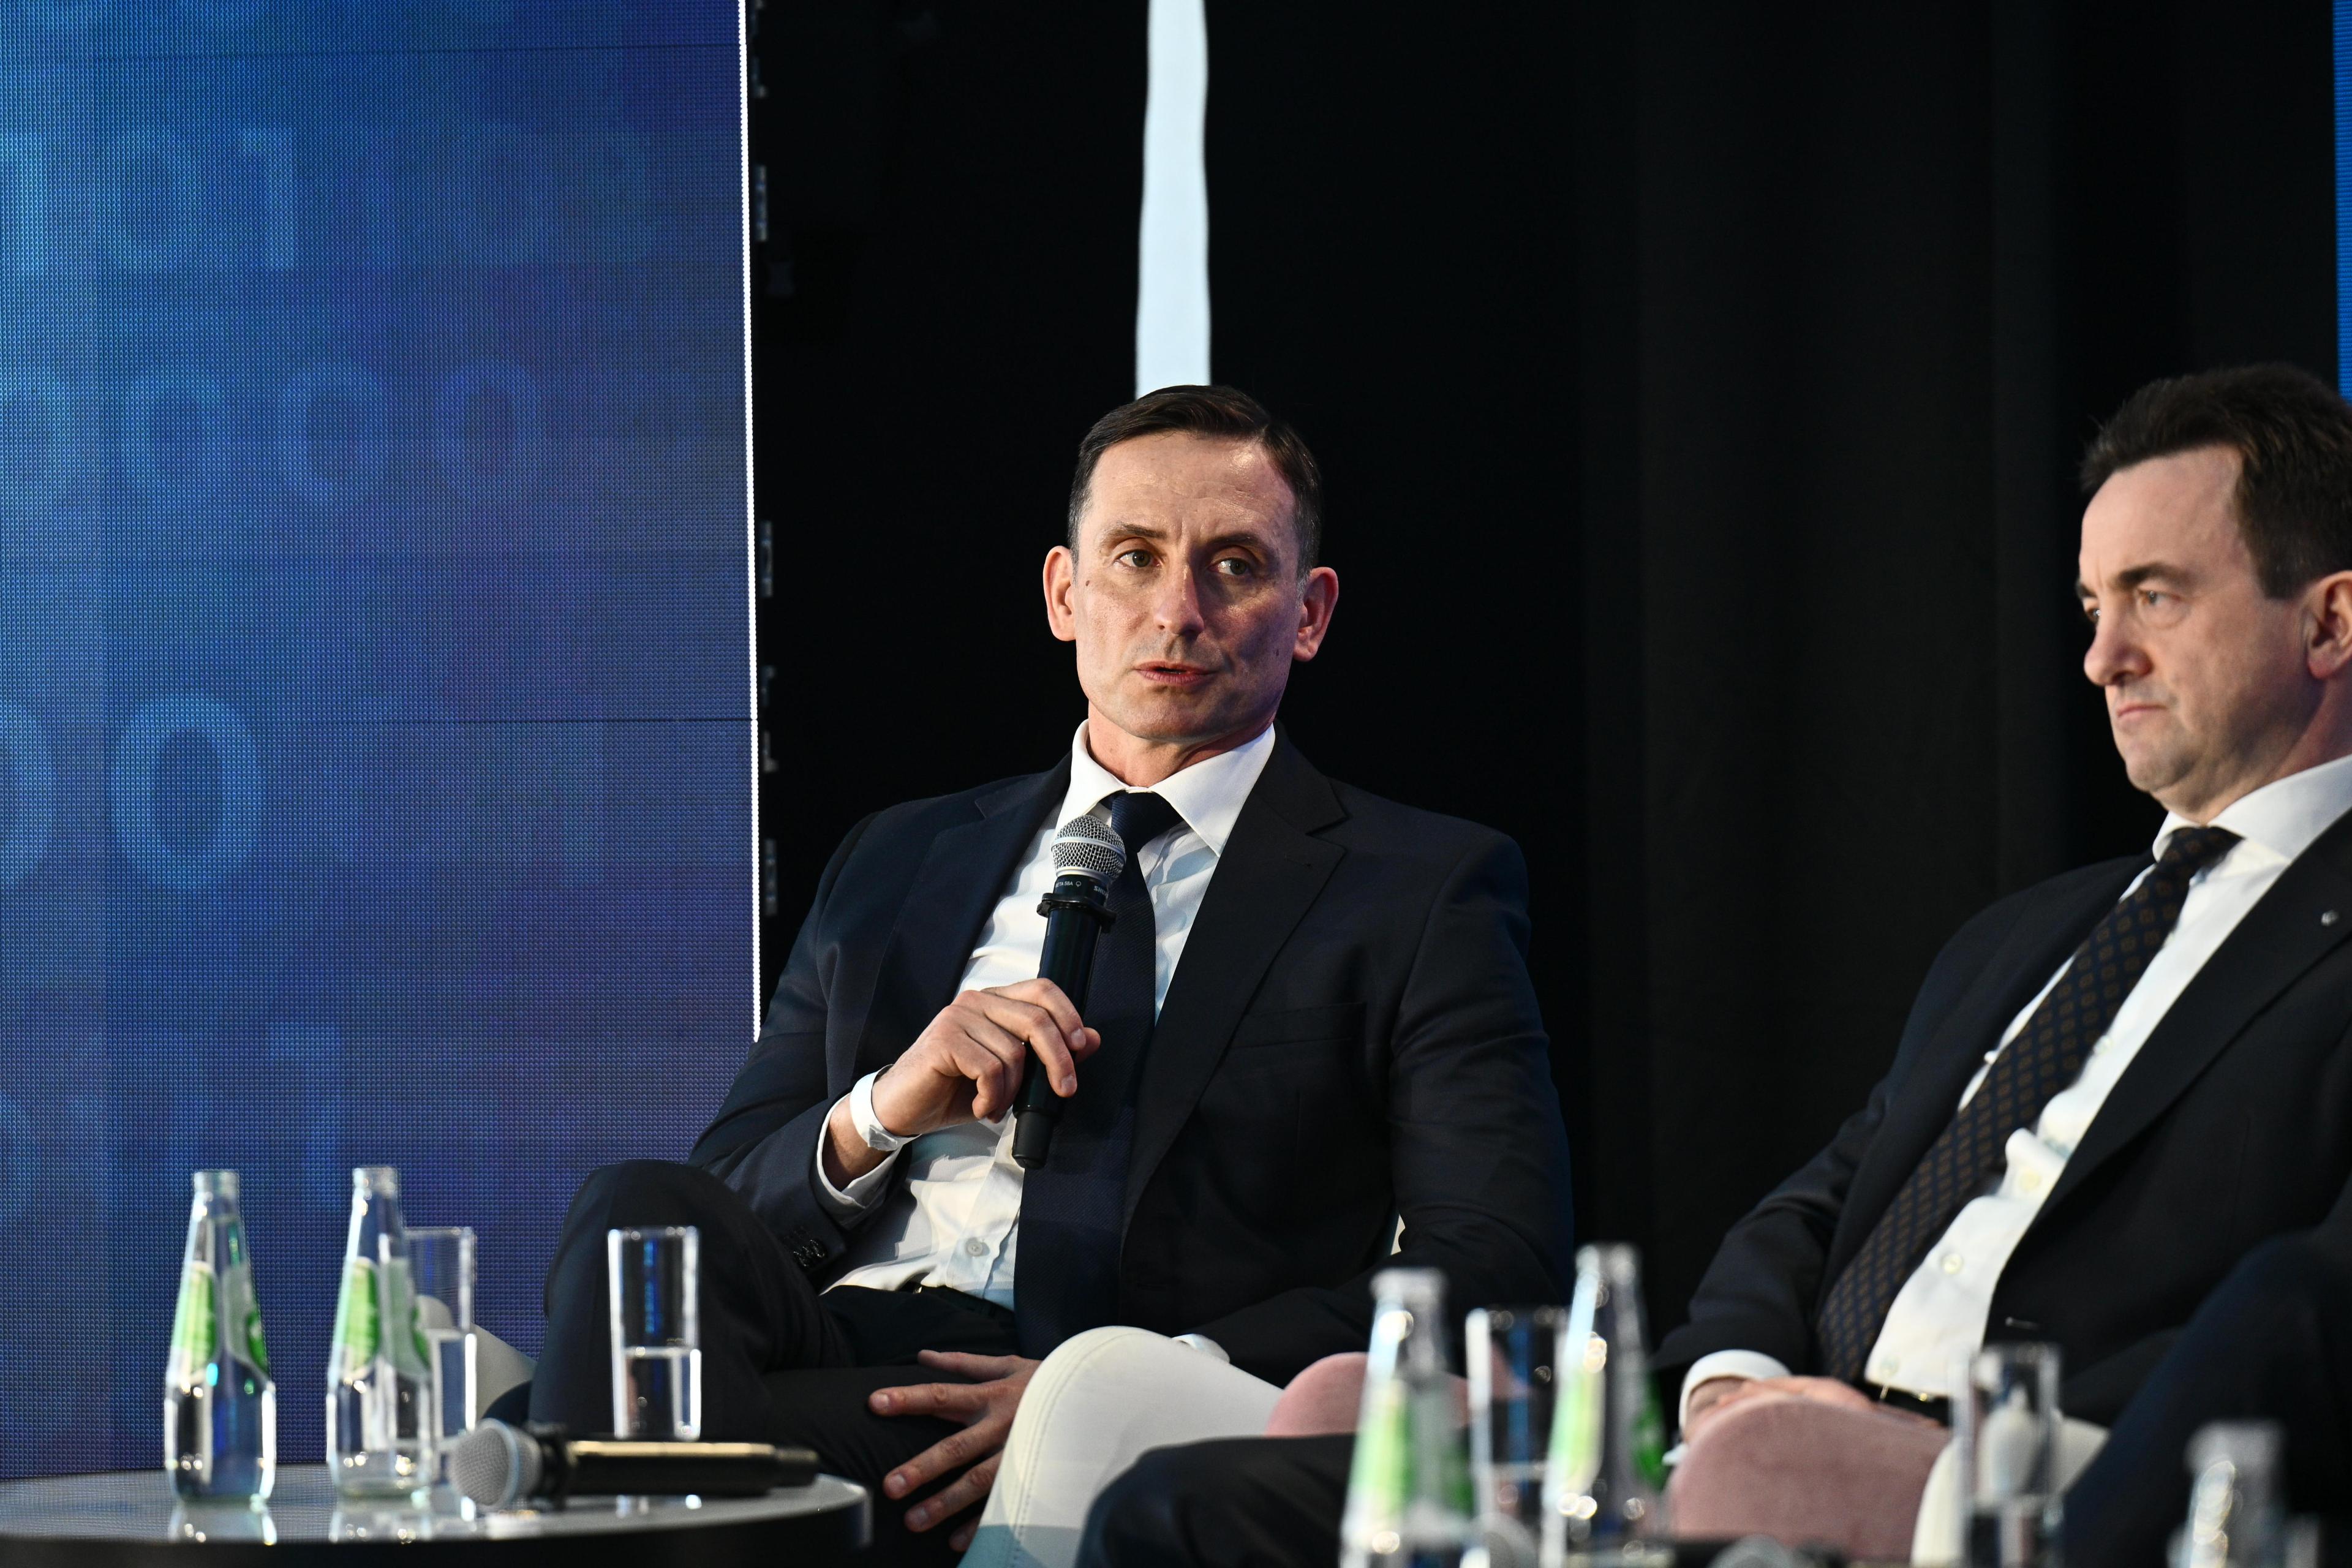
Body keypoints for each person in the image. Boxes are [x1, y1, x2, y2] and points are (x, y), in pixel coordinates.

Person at [1074, 363, 2352, 1567]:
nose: (2102, 656)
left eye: (2156, 597)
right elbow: (1814, 1211)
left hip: (2034, 1490)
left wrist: (1972, 1449)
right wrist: (1734, 1379)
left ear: (2331, 620)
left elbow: (2305, 1326)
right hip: (1753, 1451)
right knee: (1185, 1504)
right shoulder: (2029, 938)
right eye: (2092, 605)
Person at [519, 385, 1577, 1562]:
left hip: (1081, 1384)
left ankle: (559, 1473)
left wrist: (1133, 1384)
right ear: (1065, 594)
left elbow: (1495, 1257)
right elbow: (727, 1196)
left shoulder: (1421, 887)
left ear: (1310, 613)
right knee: (639, 1209)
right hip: (826, 1335)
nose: (1177, 611)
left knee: (529, 1453)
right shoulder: (898, 855)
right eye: (1135, 558)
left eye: (1233, 566)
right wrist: (882, 1110)